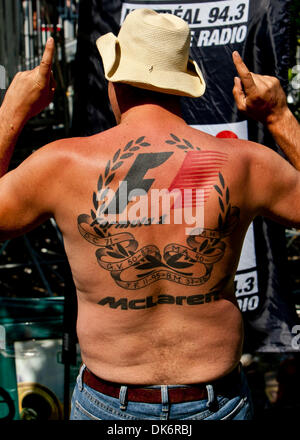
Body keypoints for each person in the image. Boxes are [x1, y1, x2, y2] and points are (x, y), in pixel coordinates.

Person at [0, 9, 299, 421]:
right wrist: (279, 115)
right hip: (217, 404)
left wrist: (12, 111)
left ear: (113, 79)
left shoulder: (62, 164)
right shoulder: (246, 163)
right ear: (183, 84)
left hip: (108, 405)